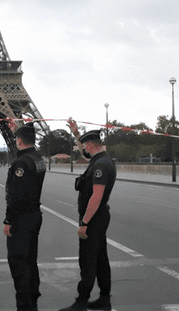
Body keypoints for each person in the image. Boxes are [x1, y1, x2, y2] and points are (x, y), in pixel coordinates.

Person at [60, 126, 116, 311]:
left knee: (87, 260)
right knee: (101, 259)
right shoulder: (103, 160)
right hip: (100, 217)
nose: (82, 149)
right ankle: (104, 298)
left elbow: (96, 196)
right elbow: (85, 156)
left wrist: (84, 222)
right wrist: (77, 134)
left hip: (94, 218)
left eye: (84, 145)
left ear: (91, 145)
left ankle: (81, 302)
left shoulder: (100, 165)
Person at [3, 121, 46, 311]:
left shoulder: (21, 163)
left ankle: (25, 305)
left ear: (19, 143)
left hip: (21, 219)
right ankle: (33, 296)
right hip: (35, 215)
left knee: (19, 263)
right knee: (30, 260)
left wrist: (8, 220)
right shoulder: (38, 160)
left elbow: (16, 197)